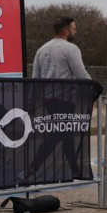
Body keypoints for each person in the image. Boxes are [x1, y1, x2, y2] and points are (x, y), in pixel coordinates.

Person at [26, 16, 92, 184]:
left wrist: (31, 100)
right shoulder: (71, 49)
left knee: (64, 133)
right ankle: (32, 168)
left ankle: (74, 170)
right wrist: (94, 87)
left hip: (48, 98)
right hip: (65, 97)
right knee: (58, 132)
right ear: (66, 32)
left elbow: (35, 77)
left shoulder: (42, 49)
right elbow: (80, 73)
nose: (76, 31)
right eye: (74, 28)